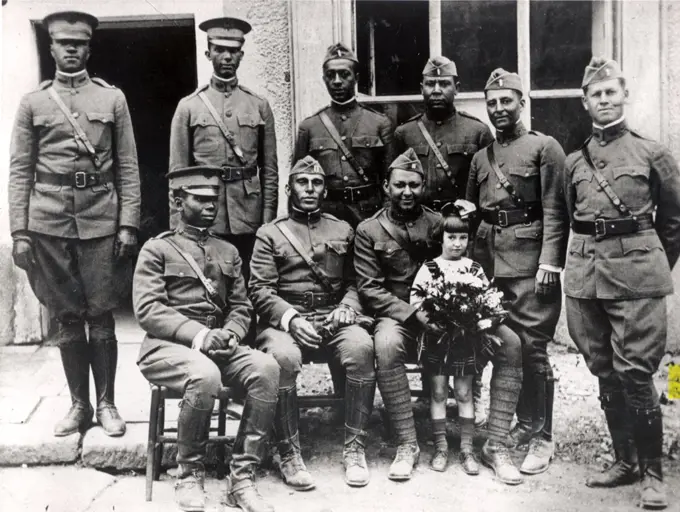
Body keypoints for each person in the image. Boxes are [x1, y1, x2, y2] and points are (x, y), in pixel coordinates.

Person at [355, 149, 524, 485]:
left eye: (415, 185)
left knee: (512, 343)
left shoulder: (441, 224)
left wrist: (472, 312)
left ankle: (495, 444)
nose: (407, 192)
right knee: (386, 345)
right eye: (399, 185)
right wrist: (415, 314)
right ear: (386, 186)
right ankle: (407, 444)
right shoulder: (369, 229)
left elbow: (465, 269)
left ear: (423, 188)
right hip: (400, 313)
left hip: (452, 316)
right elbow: (370, 289)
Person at [9, 11, 140, 438]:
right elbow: (19, 170)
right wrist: (19, 231)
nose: (70, 50)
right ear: (50, 48)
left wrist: (128, 225)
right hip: (47, 223)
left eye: (78, 44)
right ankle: (78, 405)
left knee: (101, 315)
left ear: (88, 48)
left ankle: (107, 404)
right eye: (63, 43)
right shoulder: (34, 102)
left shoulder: (111, 99)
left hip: (101, 220)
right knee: (66, 316)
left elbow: (128, 167)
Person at [563, 57, 680, 510]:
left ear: (624, 95)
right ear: (585, 102)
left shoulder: (651, 153)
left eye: (612, 92)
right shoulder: (575, 161)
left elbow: (673, 219)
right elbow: (575, 218)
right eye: (597, 94)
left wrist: (649, 266)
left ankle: (653, 473)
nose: (605, 100)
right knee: (604, 370)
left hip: (637, 280)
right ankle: (624, 460)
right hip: (586, 278)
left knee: (636, 373)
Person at [134, 166, 279, 512]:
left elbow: (242, 306)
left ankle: (242, 478)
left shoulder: (227, 251)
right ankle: (189, 474)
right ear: (177, 200)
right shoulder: (156, 251)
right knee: (204, 374)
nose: (211, 206)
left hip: (220, 345)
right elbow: (149, 309)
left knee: (267, 368)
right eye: (200, 199)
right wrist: (200, 335)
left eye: (214, 200)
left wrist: (231, 333)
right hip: (167, 348)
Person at [249, 156, 376, 489]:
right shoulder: (270, 233)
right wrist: (290, 319)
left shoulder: (342, 229)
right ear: (289, 188)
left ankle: (355, 448)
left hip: (333, 317)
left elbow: (356, 280)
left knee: (362, 346)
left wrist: (348, 306)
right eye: (302, 183)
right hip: (285, 321)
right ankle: (288, 452)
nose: (309, 189)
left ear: (324, 189)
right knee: (283, 358)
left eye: (316, 183)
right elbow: (259, 289)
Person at [466, 69, 569, 475]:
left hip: (531, 268)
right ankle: (515, 423)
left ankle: (542, 435)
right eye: (492, 103)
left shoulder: (545, 147)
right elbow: (472, 216)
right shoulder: (481, 157)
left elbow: (555, 211)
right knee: (503, 349)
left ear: (522, 103)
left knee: (533, 350)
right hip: (491, 267)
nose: (499, 109)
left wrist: (550, 263)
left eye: (506, 101)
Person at [394, 56, 493, 424]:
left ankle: (474, 387)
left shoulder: (476, 132)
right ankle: (429, 390)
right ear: (421, 88)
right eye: (430, 84)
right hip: (421, 233)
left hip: (459, 232)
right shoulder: (404, 134)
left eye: (444, 84)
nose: (437, 90)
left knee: (468, 310)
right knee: (428, 308)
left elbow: (486, 189)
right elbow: (396, 183)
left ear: (457, 87)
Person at [409, 204, 521, 475]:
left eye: (462, 238)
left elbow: (485, 299)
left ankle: (467, 449)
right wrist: (430, 320)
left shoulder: (474, 269)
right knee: (437, 392)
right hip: (437, 338)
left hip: (464, 341)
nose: (457, 244)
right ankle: (440, 447)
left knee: (463, 392)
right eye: (451, 237)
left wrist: (478, 318)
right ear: (442, 238)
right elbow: (416, 299)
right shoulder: (430, 268)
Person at [168, 16, 278, 282]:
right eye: (219, 49)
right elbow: (177, 174)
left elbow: (270, 171)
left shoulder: (258, 105)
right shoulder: (189, 107)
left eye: (233, 50)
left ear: (241, 54)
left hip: (249, 214)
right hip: (205, 212)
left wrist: (267, 221)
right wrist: (177, 225)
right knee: (210, 284)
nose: (226, 57)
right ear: (208, 53)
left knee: (250, 288)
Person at [292, 42, 395, 228]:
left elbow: (390, 180)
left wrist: (386, 222)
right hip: (326, 218)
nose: (337, 81)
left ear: (356, 78)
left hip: (370, 216)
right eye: (331, 75)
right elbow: (296, 184)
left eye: (344, 74)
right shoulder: (309, 126)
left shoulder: (380, 123)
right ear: (324, 79)